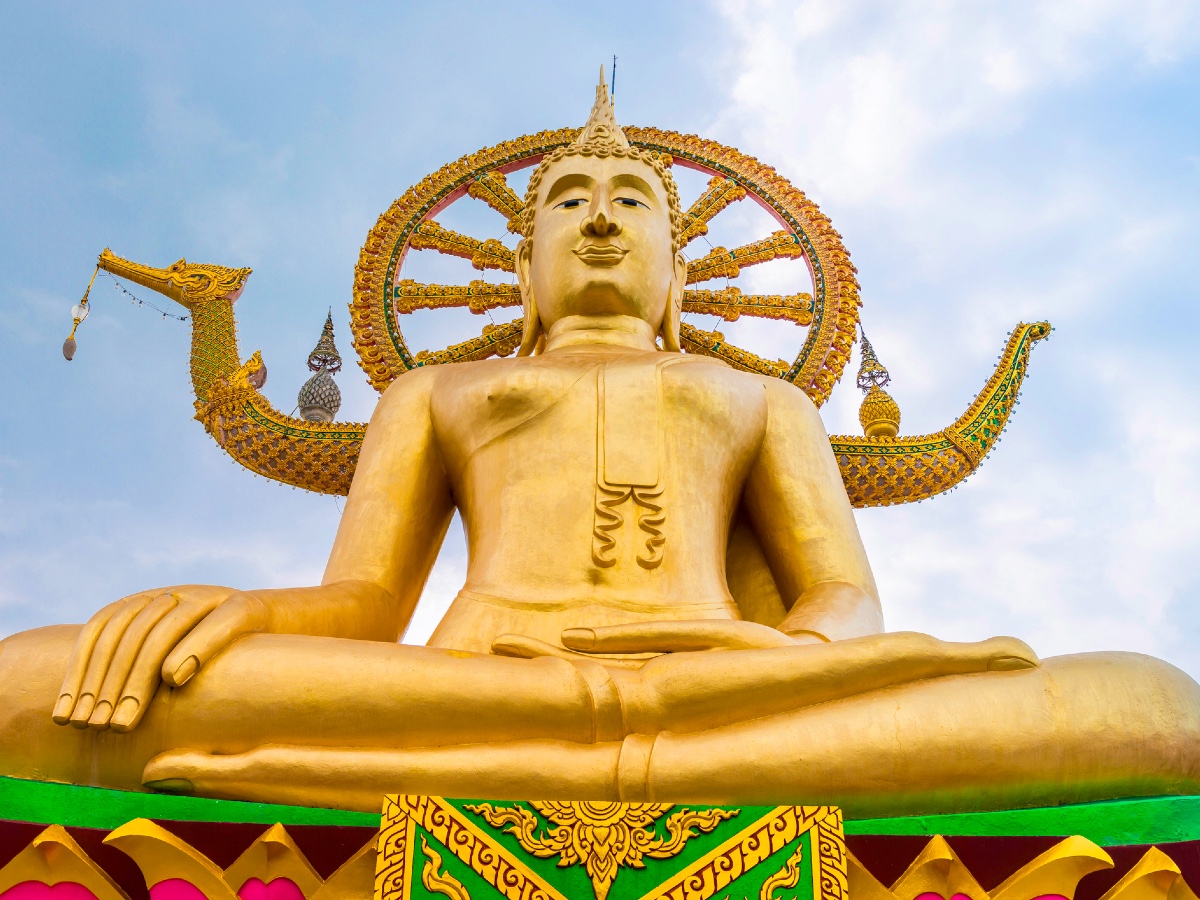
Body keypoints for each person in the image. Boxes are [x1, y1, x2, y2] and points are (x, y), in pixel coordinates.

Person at [1, 73, 1196, 816]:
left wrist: (771, 658)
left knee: (1155, 707)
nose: (604, 217)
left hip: (731, 684)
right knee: (29, 679)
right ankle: (636, 761)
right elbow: (365, 604)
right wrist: (233, 614)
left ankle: (597, 759)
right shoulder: (440, 389)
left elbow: (842, 598)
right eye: (569, 200)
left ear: (681, 268)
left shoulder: (759, 399)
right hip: (475, 681)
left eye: (635, 203)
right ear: (521, 267)